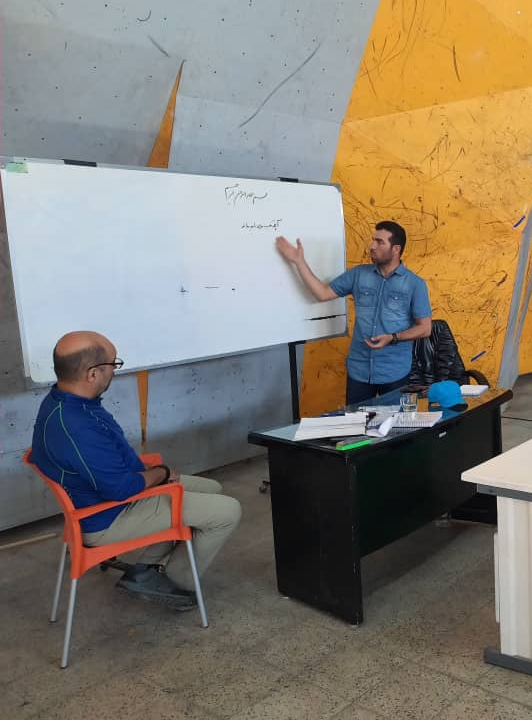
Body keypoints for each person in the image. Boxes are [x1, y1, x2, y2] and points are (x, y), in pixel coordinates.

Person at [31, 332, 242, 611]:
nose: (114, 371)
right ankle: (174, 582)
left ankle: (146, 570)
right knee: (228, 511)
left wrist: (150, 473)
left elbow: (107, 467)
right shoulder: (76, 427)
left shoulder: (65, 401)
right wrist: (161, 473)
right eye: (113, 365)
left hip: (110, 497)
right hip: (108, 515)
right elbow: (121, 489)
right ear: (92, 374)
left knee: (212, 489)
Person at [277, 220, 432, 404]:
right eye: (373, 240)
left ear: (396, 249)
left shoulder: (415, 284)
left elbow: (425, 328)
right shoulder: (358, 274)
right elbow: (323, 293)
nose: (372, 246)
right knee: (356, 421)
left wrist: (393, 338)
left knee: (395, 422)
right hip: (359, 370)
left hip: (394, 372)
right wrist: (299, 261)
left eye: (380, 242)